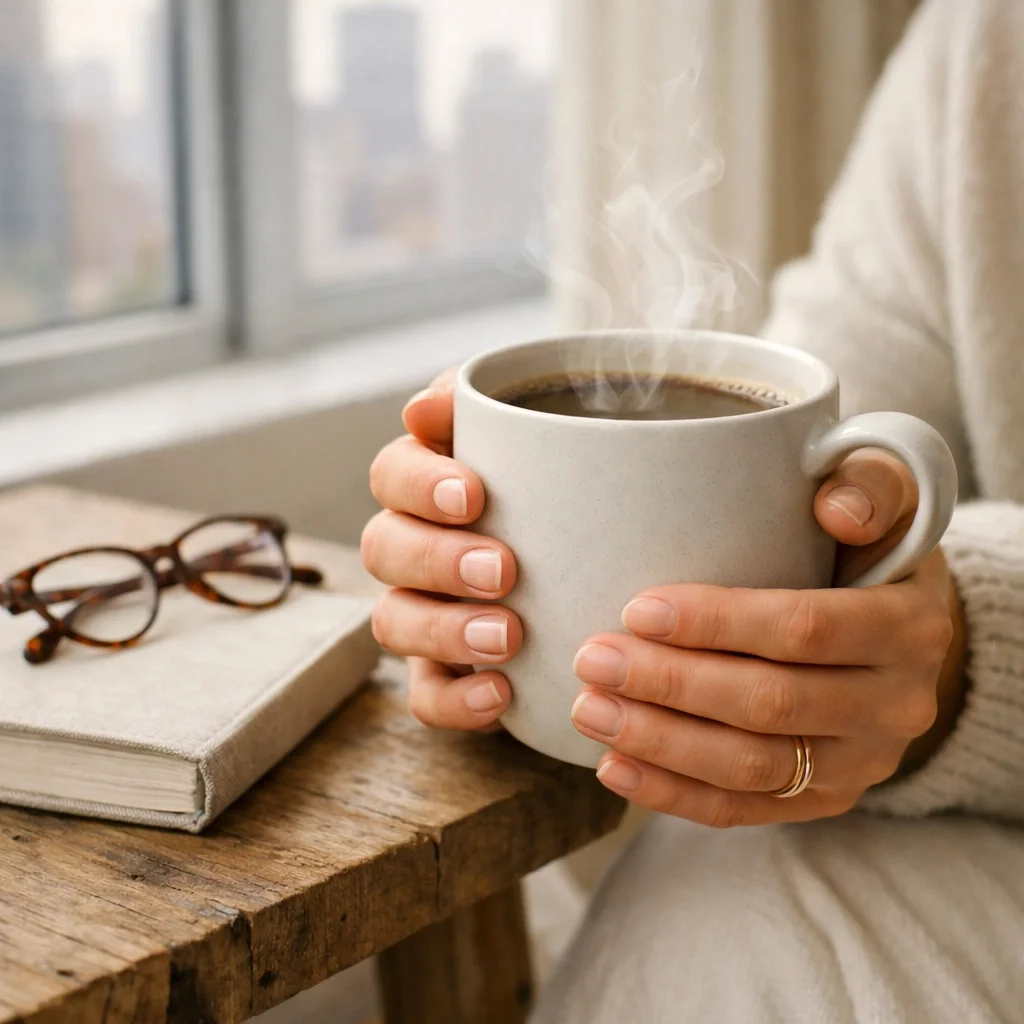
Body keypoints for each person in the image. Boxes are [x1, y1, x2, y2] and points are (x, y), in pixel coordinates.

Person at [360, 1, 1024, 1019]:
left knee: (728, 930)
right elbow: (846, 415)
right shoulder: (984, 43)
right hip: (722, 791)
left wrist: (968, 647)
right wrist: (454, 581)